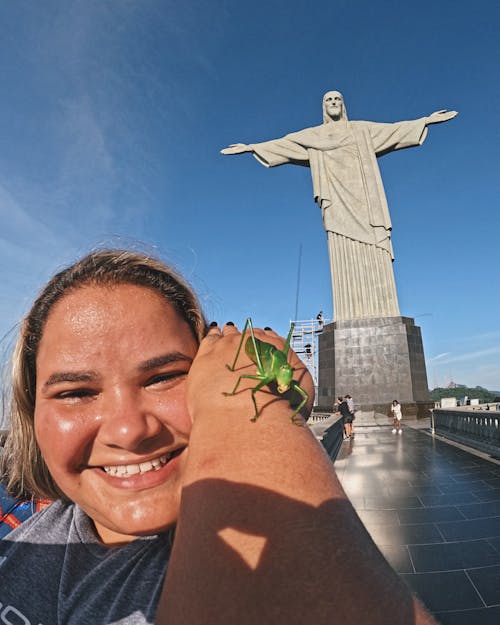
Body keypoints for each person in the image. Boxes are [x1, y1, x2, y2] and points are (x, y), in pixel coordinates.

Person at [0, 248, 437, 625]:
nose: (128, 430)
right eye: (76, 392)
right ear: (29, 411)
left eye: (165, 377)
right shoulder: (25, 535)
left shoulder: (244, 552)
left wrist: (244, 402)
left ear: (209, 371)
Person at [221, 92, 457, 322]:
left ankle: (383, 308)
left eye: (337, 99)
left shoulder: (361, 129)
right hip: (337, 205)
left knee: (375, 246)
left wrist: (425, 120)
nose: (333, 103)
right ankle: (350, 311)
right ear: (324, 107)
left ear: (343, 105)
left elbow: (393, 130)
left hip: (366, 201)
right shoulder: (313, 135)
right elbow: (285, 144)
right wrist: (252, 147)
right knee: (342, 250)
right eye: (328, 100)